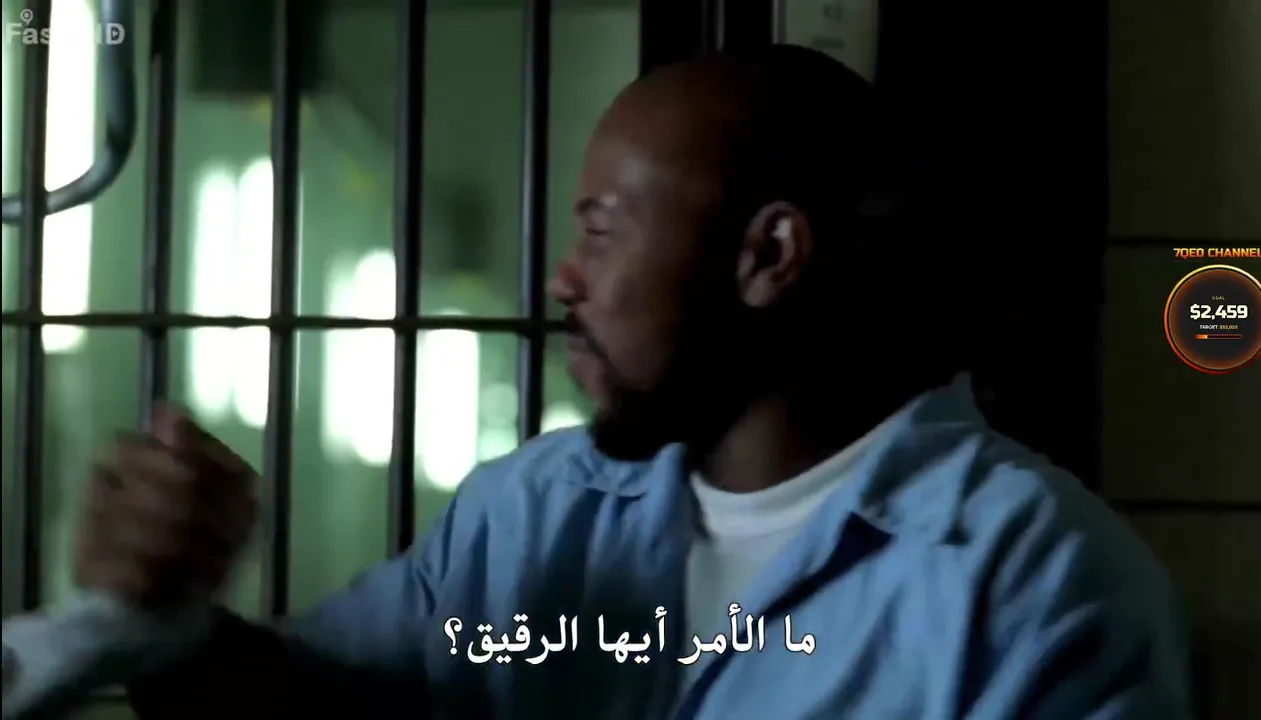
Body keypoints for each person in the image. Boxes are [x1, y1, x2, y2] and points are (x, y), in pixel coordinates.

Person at [25, 45, 1190, 719]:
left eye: (602, 227)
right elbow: (324, 707)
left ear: (766, 255)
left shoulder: (1030, 581)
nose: (564, 278)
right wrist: (158, 624)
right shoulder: (536, 512)